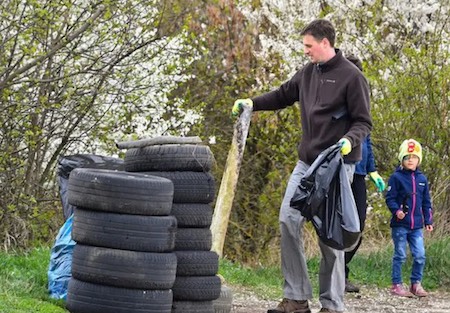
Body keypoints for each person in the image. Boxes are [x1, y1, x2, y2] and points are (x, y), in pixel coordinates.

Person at [232, 19, 372, 313]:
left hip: (336, 166)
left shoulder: (352, 77)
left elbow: (363, 122)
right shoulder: (307, 74)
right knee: (288, 219)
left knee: (329, 234)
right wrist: (252, 104)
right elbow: (282, 95)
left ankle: (332, 304)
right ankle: (296, 297)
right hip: (306, 164)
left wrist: (349, 140)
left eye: (309, 46)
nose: (305, 51)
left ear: (325, 43)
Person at [343, 55, 386, 293]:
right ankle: (338, 276)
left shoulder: (362, 104)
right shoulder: (337, 105)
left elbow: (367, 140)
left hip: (359, 173)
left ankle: (342, 270)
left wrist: (373, 170)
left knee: (357, 226)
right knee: (339, 224)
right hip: (340, 171)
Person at [385, 139, 433, 297]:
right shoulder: (396, 178)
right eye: (407, 157)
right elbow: (390, 198)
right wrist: (396, 210)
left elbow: (426, 202)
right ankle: (396, 285)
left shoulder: (422, 179)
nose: (410, 160)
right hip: (400, 224)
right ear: (401, 159)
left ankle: (415, 284)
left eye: (414, 156)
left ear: (419, 159)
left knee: (420, 255)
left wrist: (428, 220)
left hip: (417, 225)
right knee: (400, 255)